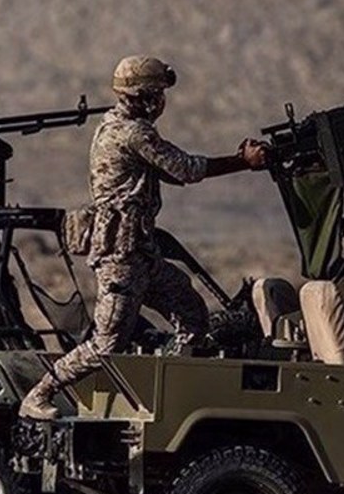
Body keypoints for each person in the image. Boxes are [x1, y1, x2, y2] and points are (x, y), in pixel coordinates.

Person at [19, 56, 267, 420]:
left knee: (192, 315)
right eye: (158, 94)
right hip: (121, 257)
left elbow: (166, 171)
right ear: (145, 96)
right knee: (108, 341)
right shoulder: (133, 133)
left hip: (142, 253)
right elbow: (185, 169)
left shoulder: (117, 126)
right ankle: (40, 394)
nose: (162, 102)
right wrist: (243, 161)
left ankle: (164, 392)